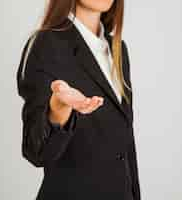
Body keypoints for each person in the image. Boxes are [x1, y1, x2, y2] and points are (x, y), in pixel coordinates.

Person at [16, 0, 141, 199]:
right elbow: (36, 151)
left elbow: (125, 149)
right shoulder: (46, 44)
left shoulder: (118, 50)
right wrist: (59, 109)